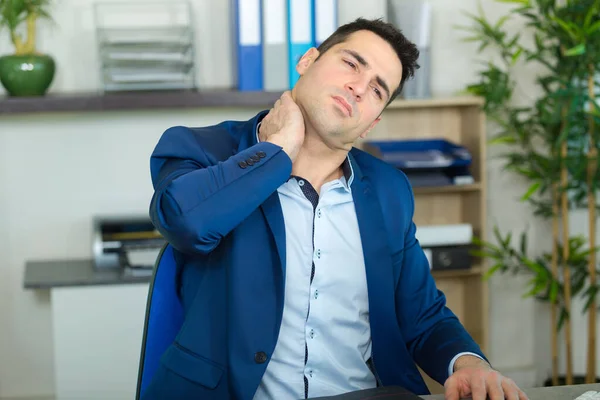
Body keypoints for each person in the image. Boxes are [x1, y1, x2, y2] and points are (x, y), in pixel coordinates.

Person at [145, 17, 527, 400]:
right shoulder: (199, 149)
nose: (359, 88)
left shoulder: (388, 190)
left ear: (371, 123)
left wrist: (470, 364)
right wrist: (276, 152)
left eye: (378, 90)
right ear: (307, 61)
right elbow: (185, 223)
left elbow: (423, 317)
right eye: (351, 63)